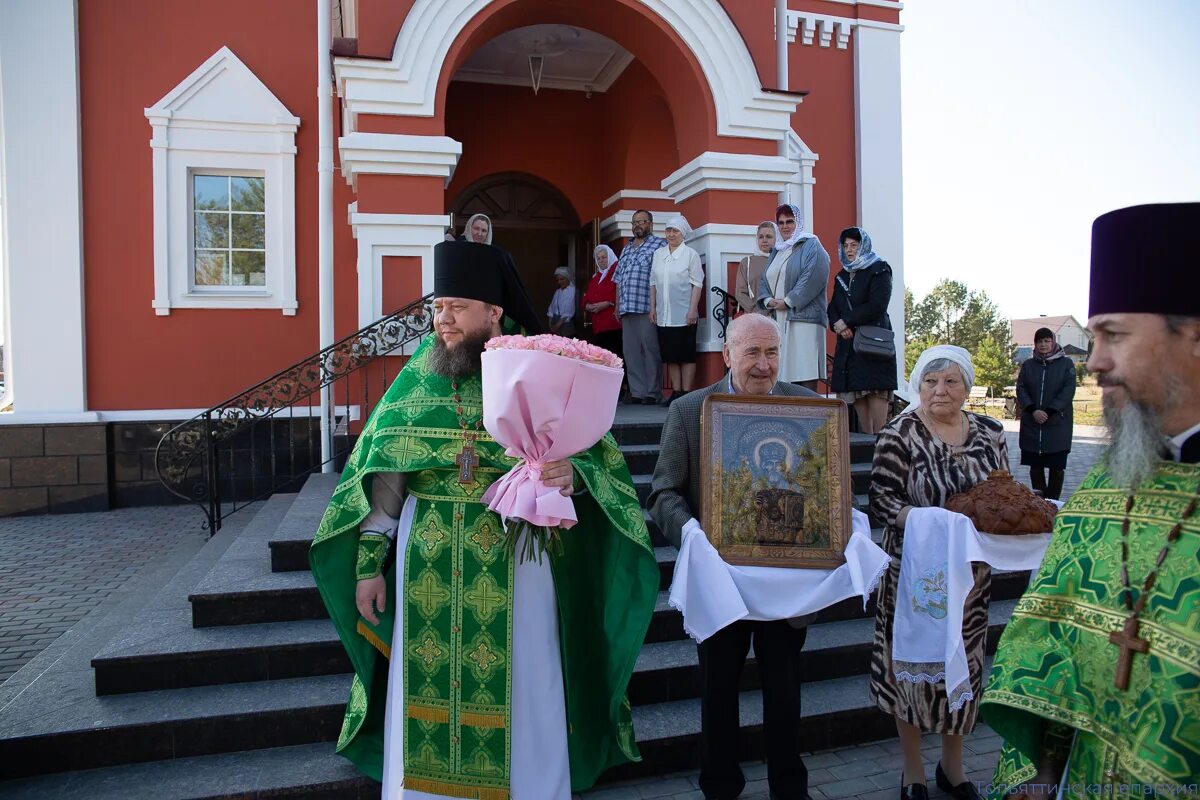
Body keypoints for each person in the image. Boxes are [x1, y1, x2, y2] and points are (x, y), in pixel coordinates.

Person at [309, 241, 659, 800]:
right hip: (428, 559)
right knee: (425, 683)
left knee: (527, 676)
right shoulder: (419, 378)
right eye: (437, 306)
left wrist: (572, 472)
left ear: (494, 311)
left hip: (517, 559)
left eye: (456, 307)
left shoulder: (540, 368)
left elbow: (599, 462)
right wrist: (368, 565)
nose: (441, 320)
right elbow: (385, 483)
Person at [982, 203, 1200, 797]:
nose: (1096, 360)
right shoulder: (1100, 491)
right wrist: (1041, 772)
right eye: (1094, 333)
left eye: (1116, 335)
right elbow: (1049, 641)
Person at [648, 313, 818, 800]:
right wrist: (693, 534)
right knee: (718, 690)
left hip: (786, 585)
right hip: (720, 581)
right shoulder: (690, 410)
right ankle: (720, 788)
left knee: (784, 692)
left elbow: (824, 489)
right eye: (751, 353)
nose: (764, 365)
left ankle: (790, 789)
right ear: (726, 355)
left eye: (772, 353)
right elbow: (663, 493)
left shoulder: (808, 409)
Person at [869, 345, 1008, 800]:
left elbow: (1003, 494)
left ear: (968, 387)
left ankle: (954, 767)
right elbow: (883, 502)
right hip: (912, 576)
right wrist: (938, 523)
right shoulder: (899, 433)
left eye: (950, 381)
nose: (940, 391)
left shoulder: (990, 433)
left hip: (969, 578)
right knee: (908, 672)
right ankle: (912, 772)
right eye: (930, 382)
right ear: (917, 386)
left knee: (962, 669)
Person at [827, 227, 897, 434]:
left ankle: (881, 450)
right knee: (857, 394)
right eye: (845, 245)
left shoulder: (879, 269)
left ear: (863, 245)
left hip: (872, 343)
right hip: (850, 347)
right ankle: (868, 444)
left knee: (876, 393)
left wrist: (847, 321)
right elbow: (833, 307)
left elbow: (877, 305)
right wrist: (838, 325)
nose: (849, 250)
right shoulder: (842, 275)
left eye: (854, 245)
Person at [759, 203, 830, 390]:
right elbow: (765, 279)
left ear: (798, 222)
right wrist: (768, 300)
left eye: (789, 221)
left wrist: (789, 301)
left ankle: (808, 415)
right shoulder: (778, 250)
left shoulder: (811, 245)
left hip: (803, 317)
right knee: (785, 369)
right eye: (780, 222)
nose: (785, 226)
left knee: (803, 368)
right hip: (779, 317)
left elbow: (813, 276)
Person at [614, 209, 668, 404]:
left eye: (643, 221)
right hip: (627, 307)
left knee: (650, 349)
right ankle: (637, 392)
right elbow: (618, 279)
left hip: (647, 307)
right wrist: (617, 305)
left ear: (651, 224)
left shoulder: (659, 245)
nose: (638, 225)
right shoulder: (626, 248)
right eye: (635, 222)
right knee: (631, 351)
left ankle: (652, 393)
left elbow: (662, 276)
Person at [1015, 327, 1075, 499]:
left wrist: (1049, 411)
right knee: (1035, 467)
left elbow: (1068, 390)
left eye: (1047, 341)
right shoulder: (1028, 365)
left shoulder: (1066, 364)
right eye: (1039, 341)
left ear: (1053, 342)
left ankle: (1053, 502)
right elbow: (1021, 388)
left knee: (1056, 468)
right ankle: (1040, 502)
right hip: (1033, 423)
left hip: (1056, 423)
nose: (1043, 344)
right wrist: (1033, 409)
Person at [650, 215, 704, 404]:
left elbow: (697, 284)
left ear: (682, 234)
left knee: (686, 355)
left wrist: (692, 310)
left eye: (675, 231)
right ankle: (676, 391)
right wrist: (653, 308)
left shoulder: (691, 255)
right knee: (671, 355)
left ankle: (686, 394)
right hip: (664, 314)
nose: (671, 234)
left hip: (684, 313)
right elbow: (653, 283)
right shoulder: (658, 254)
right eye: (668, 230)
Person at [582, 244, 622, 360]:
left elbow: (622, 294)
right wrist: (587, 306)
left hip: (613, 325)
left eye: (604, 257)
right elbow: (587, 297)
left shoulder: (617, 272)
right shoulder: (596, 277)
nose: (601, 260)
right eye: (598, 258)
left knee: (615, 358)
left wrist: (608, 303)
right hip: (599, 326)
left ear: (610, 256)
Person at [733, 221, 777, 315]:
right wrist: (756, 311)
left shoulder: (782, 261)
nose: (764, 240)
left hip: (778, 315)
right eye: (761, 237)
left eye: (769, 236)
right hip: (754, 317)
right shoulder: (747, 262)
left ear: (777, 238)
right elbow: (740, 292)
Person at [547, 265, 577, 337]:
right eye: (558, 280)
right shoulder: (558, 292)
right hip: (555, 323)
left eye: (562, 279)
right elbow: (551, 308)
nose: (559, 282)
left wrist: (557, 326)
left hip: (565, 324)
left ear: (568, 278)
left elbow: (569, 310)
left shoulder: (572, 291)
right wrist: (550, 323)